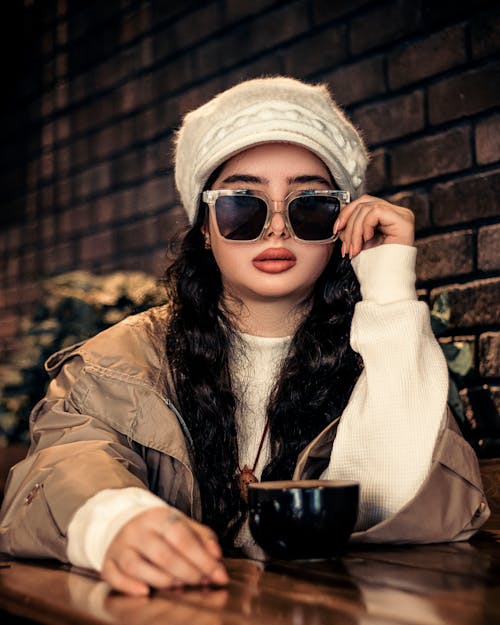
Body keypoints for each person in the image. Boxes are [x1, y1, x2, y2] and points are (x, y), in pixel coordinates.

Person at [0, 76, 489, 596]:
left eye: (309, 205)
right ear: (205, 229)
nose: (277, 227)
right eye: (242, 204)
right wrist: (116, 520)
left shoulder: (384, 347)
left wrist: (389, 292)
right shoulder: (117, 362)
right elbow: (64, 462)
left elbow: (411, 511)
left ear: (340, 224)